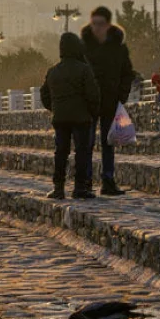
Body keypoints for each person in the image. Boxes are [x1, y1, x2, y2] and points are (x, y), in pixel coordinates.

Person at [80, 6, 134, 196]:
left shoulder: (118, 47)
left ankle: (108, 181)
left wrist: (121, 95)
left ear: (109, 25)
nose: (96, 28)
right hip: (89, 102)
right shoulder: (84, 46)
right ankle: (85, 181)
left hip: (111, 101)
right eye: (93, 23)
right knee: (86, 143)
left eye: (100, 24)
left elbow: (127, 72)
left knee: (108, 142)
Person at [40, 32, 100, 200]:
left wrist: (54, 108)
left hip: (60, 119)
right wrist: (91, 112)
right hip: (81, 119)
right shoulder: (84, 69)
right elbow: (93, 95)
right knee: (81, 152)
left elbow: (44, 94)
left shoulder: (53, 71)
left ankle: (58, 188)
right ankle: (80, 188)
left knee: (61, 152)